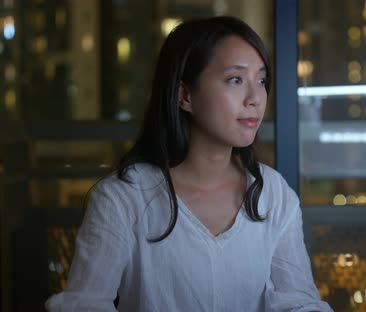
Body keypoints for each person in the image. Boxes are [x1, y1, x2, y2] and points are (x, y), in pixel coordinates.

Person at [45, 16, 332, 312]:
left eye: (261, 80)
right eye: (235, 79)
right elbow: (85, 305)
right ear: (185, 95)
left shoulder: (272, 192)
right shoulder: (123, 198)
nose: (255, 98)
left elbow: (299, 302)